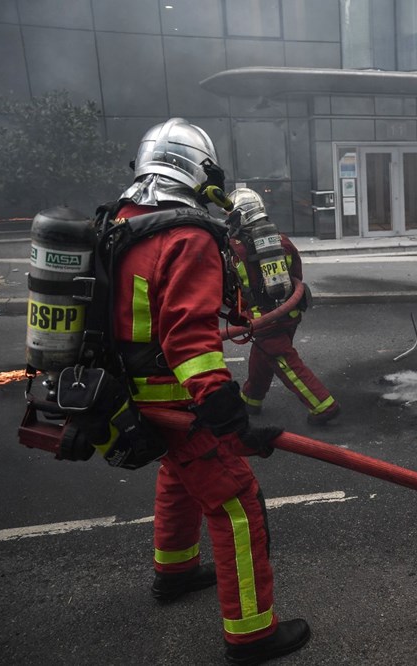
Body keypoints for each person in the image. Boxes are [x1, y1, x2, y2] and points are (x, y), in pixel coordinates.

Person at [110, 118, 309, 664]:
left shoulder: (121, 222)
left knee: (178, 473)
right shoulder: (186, 235)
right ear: (199, 171)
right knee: (236, 502)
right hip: (173, 393)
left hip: (128, 392)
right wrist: (225, 411)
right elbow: (188, 338)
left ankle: (174, 572)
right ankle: (251, 634)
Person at [226, 187, 340, 427]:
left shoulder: (235, 249)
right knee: (263, 355)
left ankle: (322, 405)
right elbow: (296, 274)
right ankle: (251, 399)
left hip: (263, 318)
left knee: (284, 361)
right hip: (289, 311)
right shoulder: (282, 241)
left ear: (239, 216)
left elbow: (230, 286)